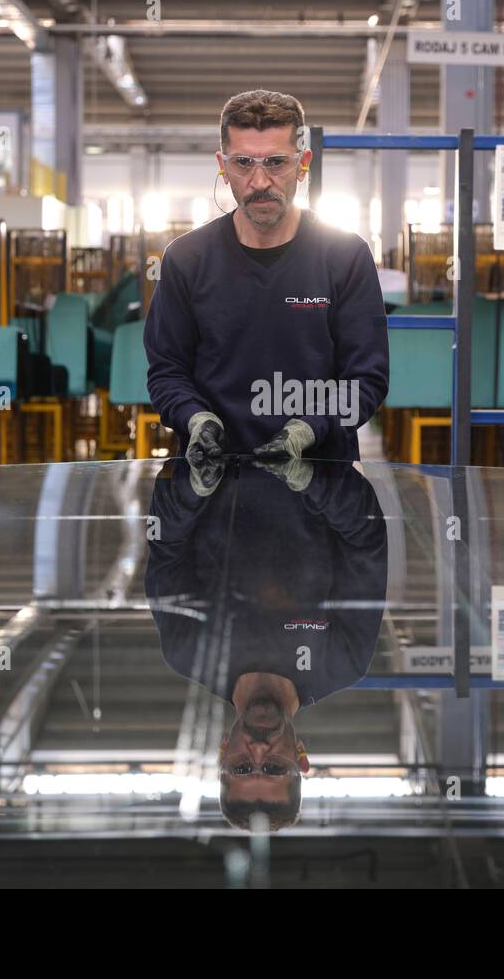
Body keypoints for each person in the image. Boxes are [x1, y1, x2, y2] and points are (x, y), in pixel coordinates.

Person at [144, 89, 389, 465]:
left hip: (322, 481)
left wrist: (308, 429)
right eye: (243, 163)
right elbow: (167, 370)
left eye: (276, 163)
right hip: (215, 478)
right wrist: (196, 420)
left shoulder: (345, 256)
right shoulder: (186, 258)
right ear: (223, 167)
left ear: (303, 164)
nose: (259, 182)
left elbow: (365, 379)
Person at [144, 455, 388, 830]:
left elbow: (164, 541)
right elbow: (366, 538)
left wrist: (196, 484)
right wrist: (307, 474)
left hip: (216, 427)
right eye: (274, 767)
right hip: (312, 428)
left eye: (243, 766)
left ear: (223, 753)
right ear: (301, 759)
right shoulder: (342, 662)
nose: (259, 750)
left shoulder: (188, 653)